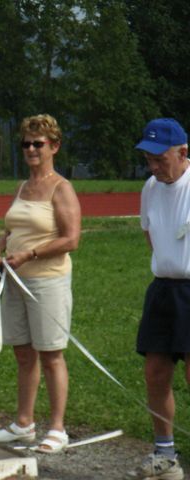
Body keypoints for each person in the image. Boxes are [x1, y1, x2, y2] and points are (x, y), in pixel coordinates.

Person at [0, 114, 81, 454]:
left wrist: (30, 254)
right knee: (24, 353)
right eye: (26, 143)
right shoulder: (23, 187)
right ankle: (24, 424)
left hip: (47, 281)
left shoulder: (62, 188)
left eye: (38, 143)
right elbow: (13, 228)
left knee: (51, 354)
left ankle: (57, 428)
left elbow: (71, 239)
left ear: (54, 146)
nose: (30, 149)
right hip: (14, 280)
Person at [127, 118, 190, 480]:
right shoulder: (150, 187)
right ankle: (165, 454)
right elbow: (150, 234)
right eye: (148, 159)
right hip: (163, 288)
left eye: (159, 159)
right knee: (155, 372)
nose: (152, 166)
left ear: (183, 153)